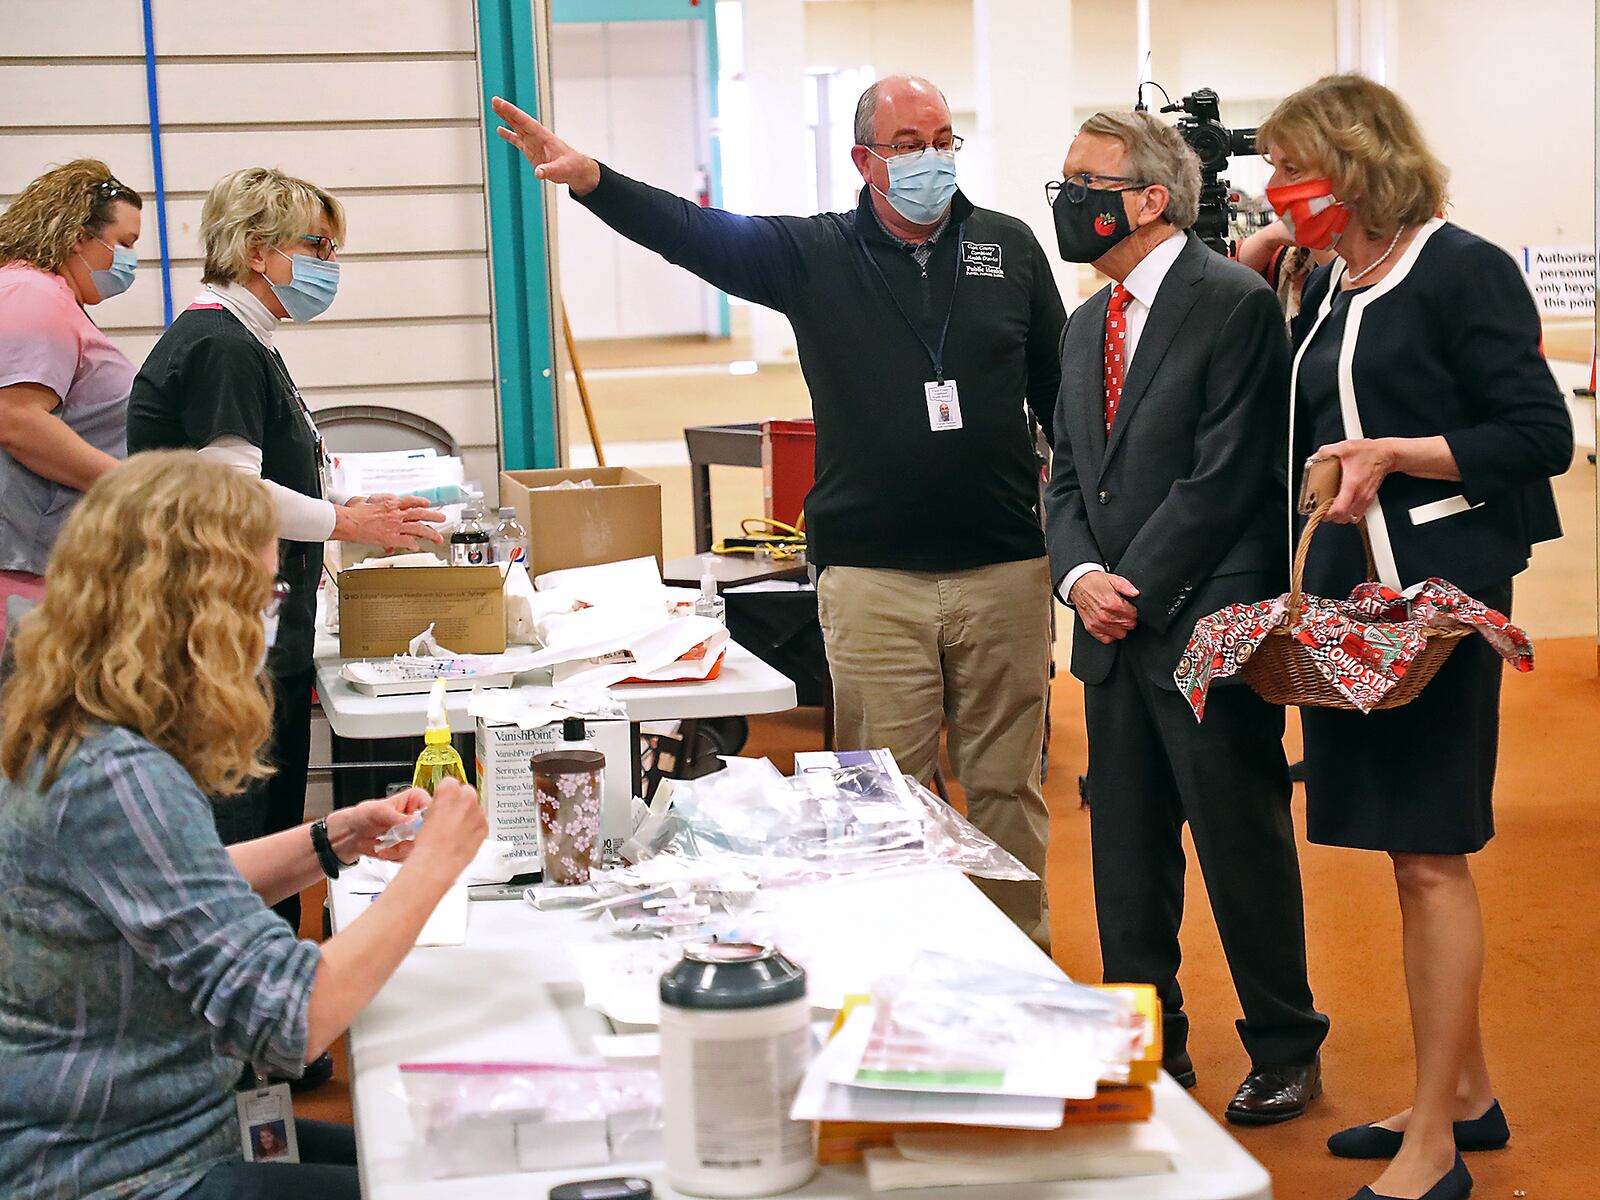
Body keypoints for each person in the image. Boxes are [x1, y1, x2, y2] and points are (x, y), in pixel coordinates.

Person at [491, 78, 1065, 948]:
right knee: (883, 795)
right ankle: (898, 969)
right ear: (864, 159)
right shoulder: (817, 254)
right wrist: (593, 179)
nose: (933, 157)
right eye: (909, 142)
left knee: (1006, 791)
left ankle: (1018, 965)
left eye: (944, 138)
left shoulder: (1008, 248)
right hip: (874, 581)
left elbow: (1062, 406)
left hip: (1005, 572)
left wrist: (1085, 543)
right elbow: (693, 234)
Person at [0, 452, 488, 1200]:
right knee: (453, 1175)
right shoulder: (116, 775)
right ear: (197, 607)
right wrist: (434, 868)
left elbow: (174, 888)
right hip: (119, 1170)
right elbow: (291, 1019)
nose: (268, 612)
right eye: (265, 592)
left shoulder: (63, 729)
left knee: (424, 1154)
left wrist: (331, 839)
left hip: (144, 1132)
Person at [1260, 75, 1572, 1200]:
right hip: (1354, 597)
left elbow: (1537, 432)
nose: (1273, 190)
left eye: (1287, 167)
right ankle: (1464, 1098)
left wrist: (1399, 452)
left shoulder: (1460, 266)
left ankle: (1434, 1151)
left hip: (1439, 603)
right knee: (1403, 853)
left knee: (1432, 856)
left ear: (1350, 165)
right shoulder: (1332, 280)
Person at [1043, 110, 1329, 1123]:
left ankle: (1286, 1045)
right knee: (1123, 854)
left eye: (1083, 180)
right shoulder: (1085, 326)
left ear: (1147, 197)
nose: (1065, 196)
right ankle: (1147, 1042)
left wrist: (1133, 587)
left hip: (1206, 626)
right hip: (1111, 635)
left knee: (1239, 842)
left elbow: (1225, 476)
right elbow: (1065, 477)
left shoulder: (1232, 304)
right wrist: (1079, 579)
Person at [126, 168, 443, 934]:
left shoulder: (242, 341)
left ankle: (269, 1019)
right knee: (245, 833)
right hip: (224, 636)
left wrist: (343, 513)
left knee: (265, 825)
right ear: (260, 251)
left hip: (254, 629)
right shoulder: (219, 346)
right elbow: (234, 494)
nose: (329, 264)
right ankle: (251, 1029)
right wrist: (346, 524)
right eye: (318, 245)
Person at [0, 160, 142, 647]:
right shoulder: (32, 294)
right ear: (78, 236)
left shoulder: (44, 295)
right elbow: (16, 419)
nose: (128, 263)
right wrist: (132, 486)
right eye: (123, 244)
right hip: (26, 570)